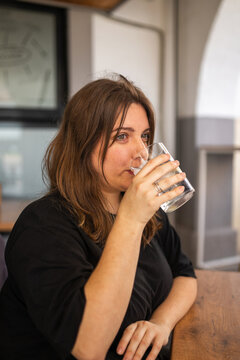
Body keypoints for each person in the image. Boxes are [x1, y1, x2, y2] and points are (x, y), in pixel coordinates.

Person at [0, 74, 197, 360]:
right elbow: (87, 347)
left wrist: (161, 323)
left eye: (144, 137)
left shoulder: (147, 212)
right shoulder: (43, 225)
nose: (141, 152)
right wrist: (130, 219)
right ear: (83, 144)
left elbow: (186, 275)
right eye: (121, 136)